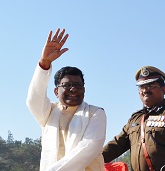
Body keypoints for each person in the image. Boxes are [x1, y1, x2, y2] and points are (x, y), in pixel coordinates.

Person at [26, 28, 107, 171]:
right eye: (67, 85)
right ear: (56, 91)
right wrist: (44, 64)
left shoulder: (95, 113)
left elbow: (86, 149)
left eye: (78, 85)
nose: (73, 89)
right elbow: (34, 99)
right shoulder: (49, 113)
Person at [102, 66, 165, 171]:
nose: (145, 90)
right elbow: (116, 145)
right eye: (141, 87)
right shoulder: (135, 118)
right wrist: (88, 159)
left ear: (163, 90)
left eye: (151, 86)